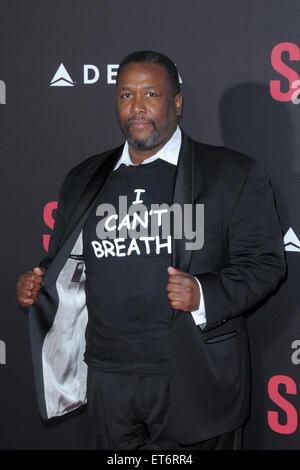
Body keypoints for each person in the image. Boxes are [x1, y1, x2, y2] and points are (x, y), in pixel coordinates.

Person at [17, 50, 286, 450]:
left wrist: (203, 293)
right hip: (109, 379)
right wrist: (38, 282)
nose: (137, 107)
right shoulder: (84, 178)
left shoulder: (233, 174)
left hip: (195, 378)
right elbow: (67, 261)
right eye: (126, 95)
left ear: (177, 102)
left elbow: (266, 264)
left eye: (151, 94)